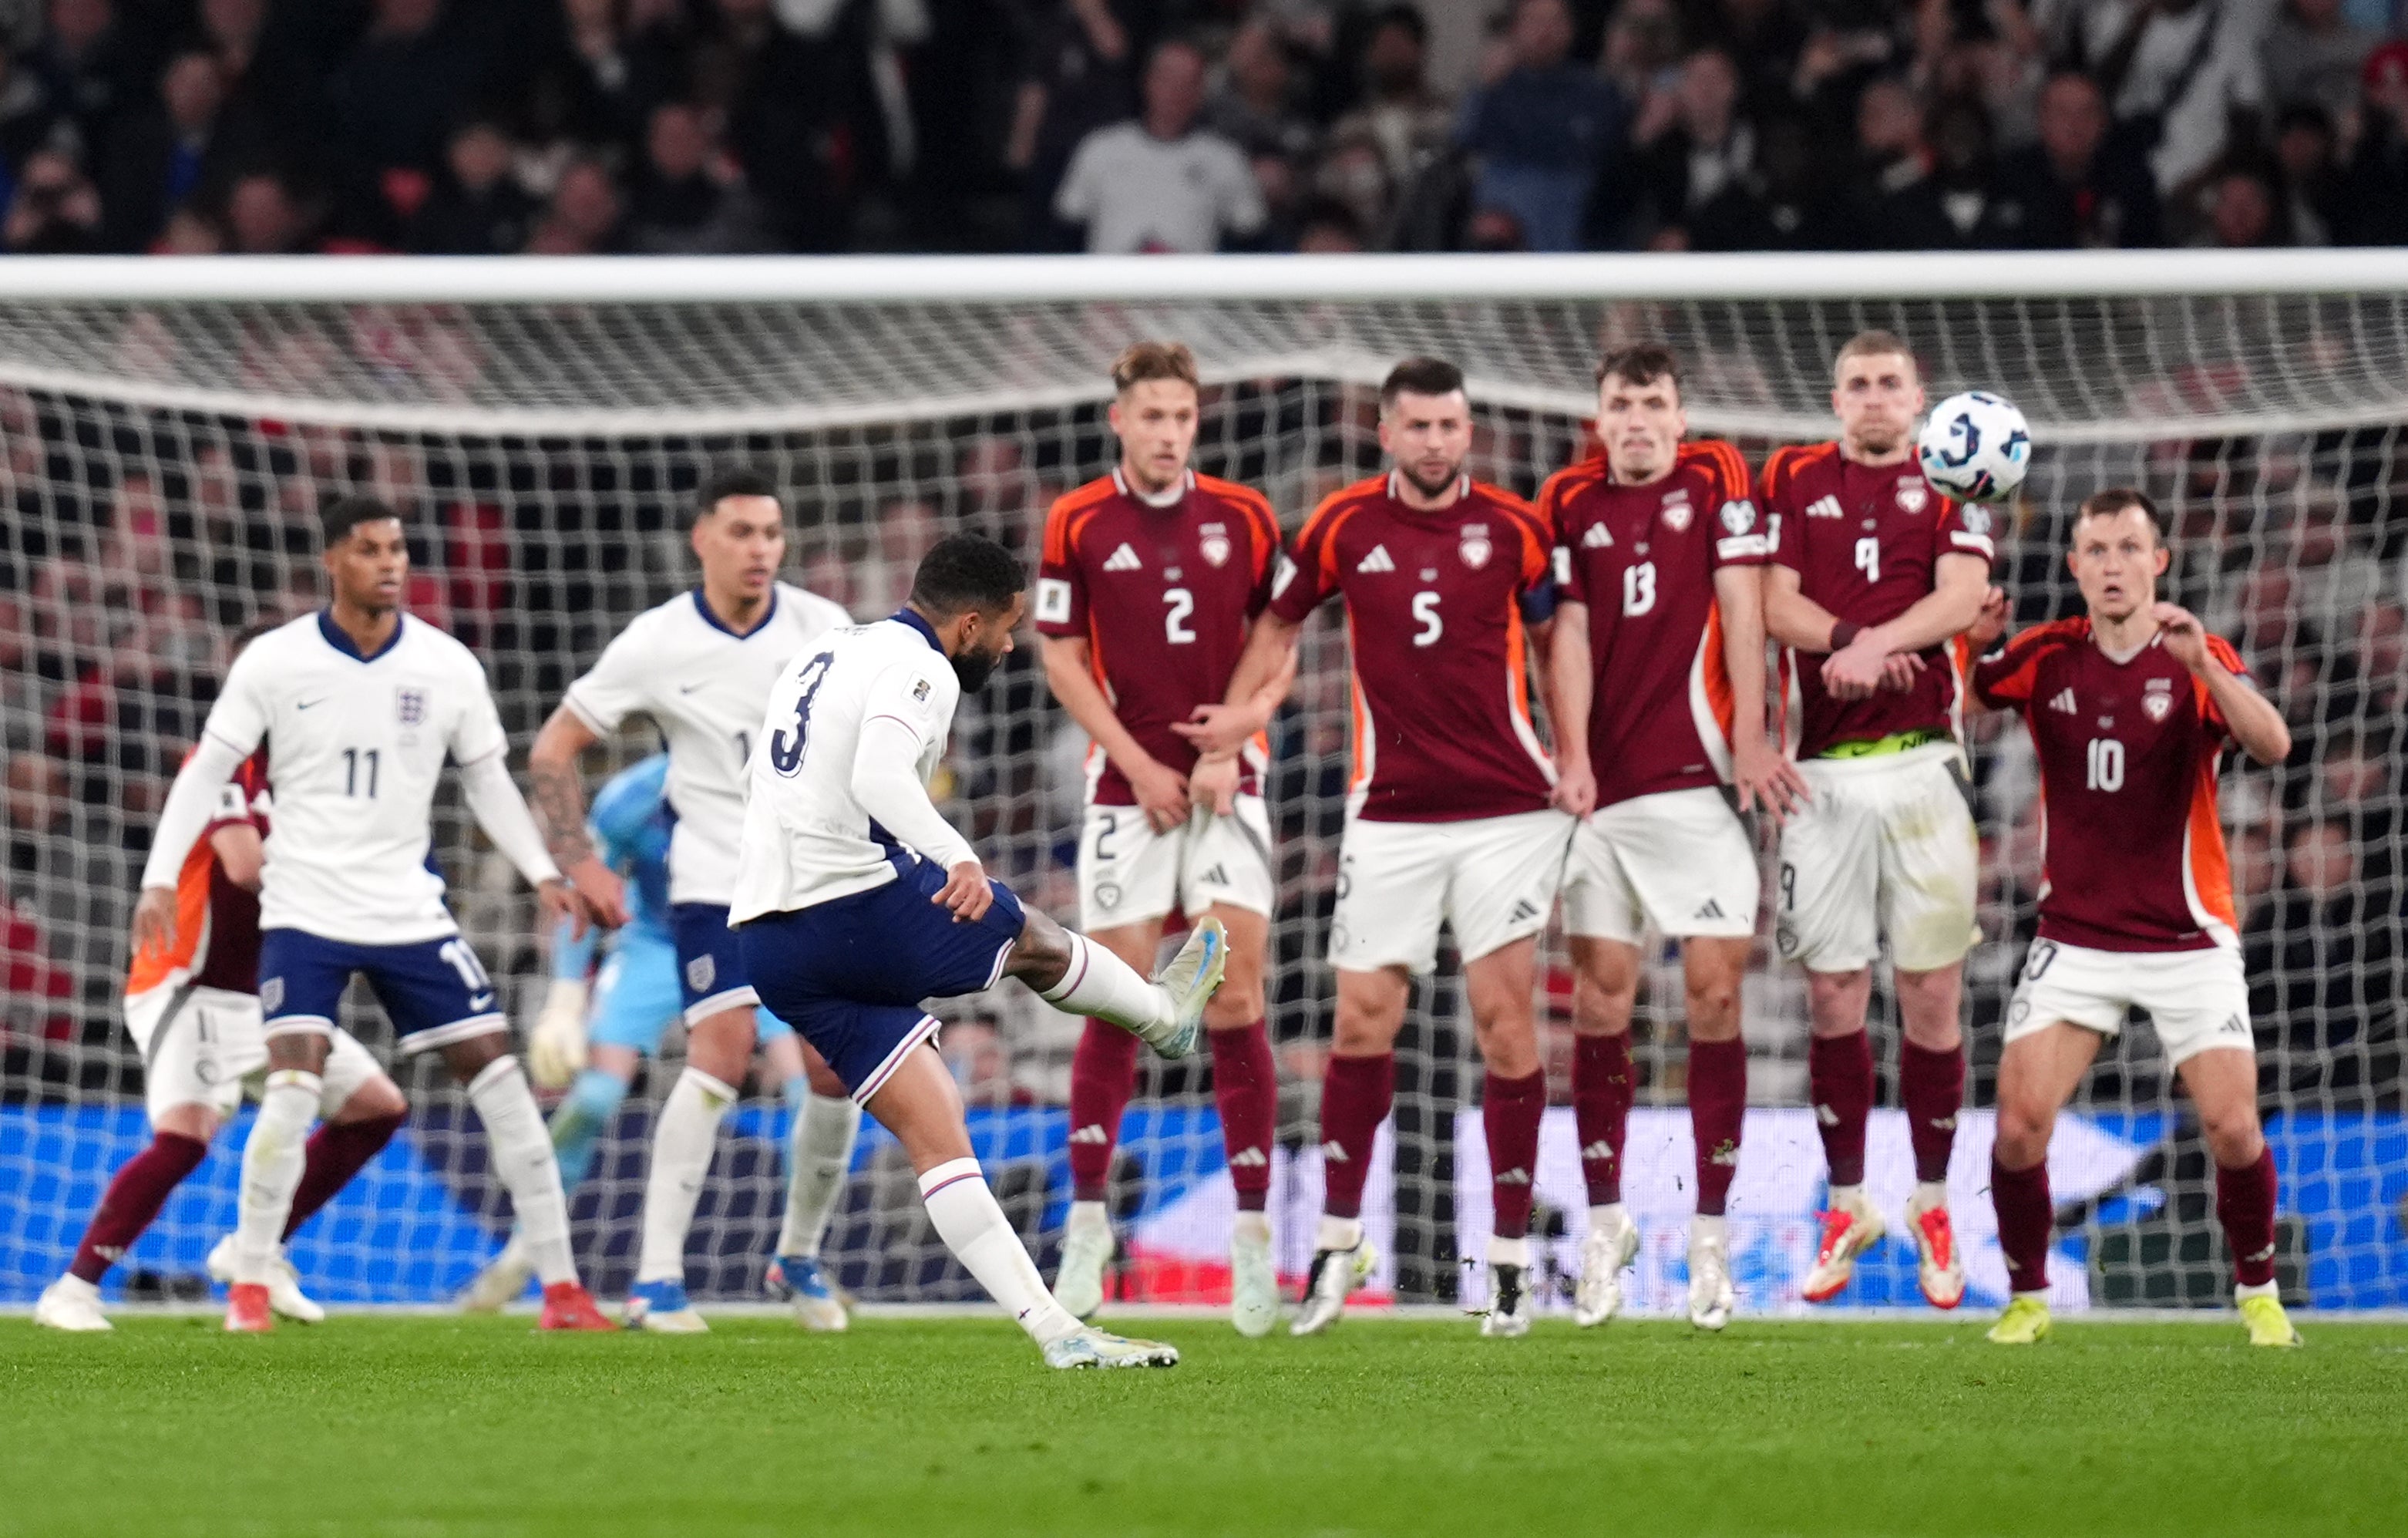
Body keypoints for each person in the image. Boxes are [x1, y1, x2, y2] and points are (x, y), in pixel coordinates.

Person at [734, 532, 1226, 1370]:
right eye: (1005, 629)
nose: (1007, 646)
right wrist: (956, 855)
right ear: (968, 623)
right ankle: (1161, 1014)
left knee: (938, 1129)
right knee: (1029, 934)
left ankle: (1059, 1333)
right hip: (848, 906)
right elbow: (879, 778)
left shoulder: (829, 647)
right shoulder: (920, 667)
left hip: (769, 941)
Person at [127, 497, 614, 1332]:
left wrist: (542, 870)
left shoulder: (446, 665)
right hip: (304, 909)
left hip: (408, 912)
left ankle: (563, 1291)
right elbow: (207, 770)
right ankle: (249, 1284)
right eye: (369, 549)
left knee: (503, 1086)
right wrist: (160, 877)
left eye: (397, 548)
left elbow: (486, 779)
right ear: (332, 561)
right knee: (292, 1092)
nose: (389, 563)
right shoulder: (276, 661)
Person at [1189, 356, 1569, 1338]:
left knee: (1505, 1026)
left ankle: (1510, 1259)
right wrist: (1235, 729)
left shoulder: (1516, 528)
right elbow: (1276, 627)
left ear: (1467, 432)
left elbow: (1556, 636)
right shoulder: (1342, 524)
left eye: (1449, 425)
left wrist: (1572, 752)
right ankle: (1337, 1242)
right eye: (1418, 426)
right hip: (1388, 810)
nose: (1435, 442)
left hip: (1505, 811)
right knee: (1362, 1021)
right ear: (1387, 433)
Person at [528, 468, 855, 1333]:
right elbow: (553, 748)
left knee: (832, 1072)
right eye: (741, 532)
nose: (760, 549)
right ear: (701, 540)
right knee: (721, 1051)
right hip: (714, 882)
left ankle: (798, 1256)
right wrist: (578, 862)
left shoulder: (825, 628)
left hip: (816, 877)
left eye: (772, 533)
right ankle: (656, 1282)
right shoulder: (656, 642)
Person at [1970, 489, 2299, 1348]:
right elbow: (1960, 704)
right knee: (2018, 1128)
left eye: (2128, 548)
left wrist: (2206, 671)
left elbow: (2273, 745)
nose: (2112, 564)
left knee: (2233, 1128)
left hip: (2188, 936)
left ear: (2158, 561)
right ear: (2074, 566)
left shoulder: (2196, 653)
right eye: (2097, 550)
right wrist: (1968, 643)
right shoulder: (2045, 655)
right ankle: (2027, 1298)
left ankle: (2259, 1293)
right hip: (2075, 937)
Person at [35, 625, 410, 1332]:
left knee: (375, 1107)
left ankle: (254, 1250)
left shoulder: (316, 772)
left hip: (268, 989)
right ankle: (74, 1289)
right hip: (191, 981)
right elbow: (243, 865)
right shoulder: (223, 760)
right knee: (185, 1140)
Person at [1542, 344, 1799, 1331]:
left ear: (1679, 417)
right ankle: (1606, 1223)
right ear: (1599, 418)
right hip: (1604, 797)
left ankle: (1710, 1235)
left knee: (1715, 996)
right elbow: (1563, 633)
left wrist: (1751, 737)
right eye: (1622, 404)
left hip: (1699, 786)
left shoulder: (1717, 474)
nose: (1639, 420)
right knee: (1601, 1001)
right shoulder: (1566, 498)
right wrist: (1572, 756)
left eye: (1654, 403)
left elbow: (1742, 606)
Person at [1035, 341, 1288, 1337]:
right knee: (1116, 990)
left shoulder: (1245, 514)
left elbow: (1278, 635)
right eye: (1152, 416)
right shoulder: (1078, 519)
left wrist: (1236, 733)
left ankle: (1253, 1235)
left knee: (1236, 991)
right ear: (1120, 420)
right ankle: (1087, 1226)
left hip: (1230, 782)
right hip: (1124, 787)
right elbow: (1060, 655)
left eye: (1182, 416)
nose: (1169, 433)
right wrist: (1138, 764)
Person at [1757, 331, 1995, 1311]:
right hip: (1818, 773)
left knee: (1931, 996)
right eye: (1856, 385)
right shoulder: (1791, 476)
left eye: (1889, 384)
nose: (1872, 398)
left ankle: (1932, 1203)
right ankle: (1847, 1202)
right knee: (1832, 997)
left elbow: (1964, 597)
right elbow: (1772, 602)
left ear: (1918, 397)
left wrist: (1873, 646)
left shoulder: (1953, 481)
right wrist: (1856, 643)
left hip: (1925, 762)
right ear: (1834, 400)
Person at [459, 755, 850, 1331]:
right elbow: (584, 886)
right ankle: (525, 1249)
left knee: (807, 1091)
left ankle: (801, 1254)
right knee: (594, 1098)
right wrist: (567, 994)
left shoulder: (776, 776)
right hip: (652, 948)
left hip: (749, 940)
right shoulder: (630, 798)